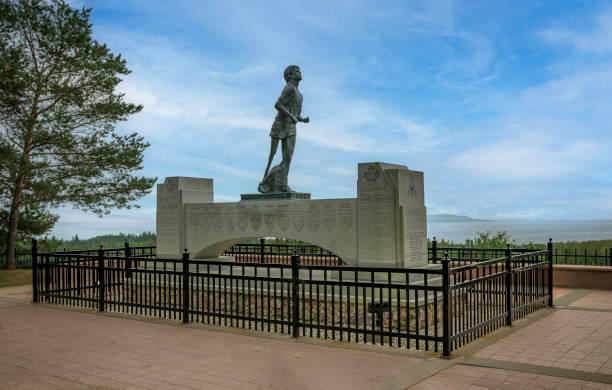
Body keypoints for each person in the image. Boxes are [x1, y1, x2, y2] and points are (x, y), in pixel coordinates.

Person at [261, 65, 309, 192]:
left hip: (291, 127)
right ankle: (264, 181)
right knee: (272, 154)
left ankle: (283, 184)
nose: (299, 73)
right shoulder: (289, 88)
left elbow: (295, 114)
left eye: (299, 71)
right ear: (290, 76)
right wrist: (292, 116)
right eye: (296, 71)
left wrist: (302, 119)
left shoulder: (300, 95)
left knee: (288, 157)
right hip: (280, 125)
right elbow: (278, 105)